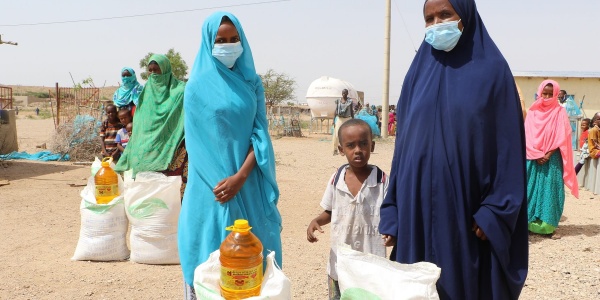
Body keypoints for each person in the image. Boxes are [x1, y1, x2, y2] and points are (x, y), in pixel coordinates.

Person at [378, 0, 529, 299]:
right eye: (429, 18)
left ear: (466, 16)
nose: (437, 25)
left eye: (445, 15)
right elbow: (403, 148)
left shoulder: (493, 72)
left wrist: (496, 211)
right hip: (415, 212)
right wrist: (393, 210)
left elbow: (509, 148)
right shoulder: (416, 75)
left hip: (465, 213)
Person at [178, 12, 282, 299]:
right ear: (208, 43)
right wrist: (223, 185)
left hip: (247, 182)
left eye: (234, 39)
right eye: (220, 40)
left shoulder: (252, 83)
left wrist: (239, 178)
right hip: (210, 188)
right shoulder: (196, 87)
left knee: (253, 264)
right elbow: (197, 145)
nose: (228, 45)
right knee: (207, 260)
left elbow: (260, 135)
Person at [307, 119, 389, 300]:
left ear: (372, 145)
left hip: (372, 262)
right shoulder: (336, 179)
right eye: (350, 145)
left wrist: (393, 231)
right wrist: (316, 221)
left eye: (363, 144)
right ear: (341, 149)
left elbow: (390, 213)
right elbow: (329, 211)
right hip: (340, 262)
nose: (358, 150)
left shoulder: (382, 181)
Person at [115, 54, 187, 195]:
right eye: (151, 70)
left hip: (172, 148)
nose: (153, 74)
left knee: (171, 195)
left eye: (157, 70)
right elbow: (141, 125)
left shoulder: (180, 91)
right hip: (147, 148)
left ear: (165, 70)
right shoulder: (145, 93)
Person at [525, 80, 578, 239]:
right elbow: (527, 134)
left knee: (551, 190)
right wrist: (536, 153)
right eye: (544, 93)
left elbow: (562, 135)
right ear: (539, 93)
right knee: (530, 188)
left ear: (556, 94)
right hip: (533, 156)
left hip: (552, 157)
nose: (547, 97)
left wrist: (547, 153)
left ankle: (548, 226)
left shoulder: (560, 112)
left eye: (550, 94)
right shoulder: (533, 111)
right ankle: (527, 223)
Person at [332, 89, 354, 155]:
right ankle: (335, 149)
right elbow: (336, 111)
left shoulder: (350, 101)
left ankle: (347, 149)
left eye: (345, 93)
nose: (344, 94)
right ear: (342, 93)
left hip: (348, 119)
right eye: (343, 93)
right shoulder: (338, 101)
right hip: (340, 119)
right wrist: (333, 120)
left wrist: (353, 119)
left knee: (348, 134)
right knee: (337, 134)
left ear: (347, 94)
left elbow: (351, 111)